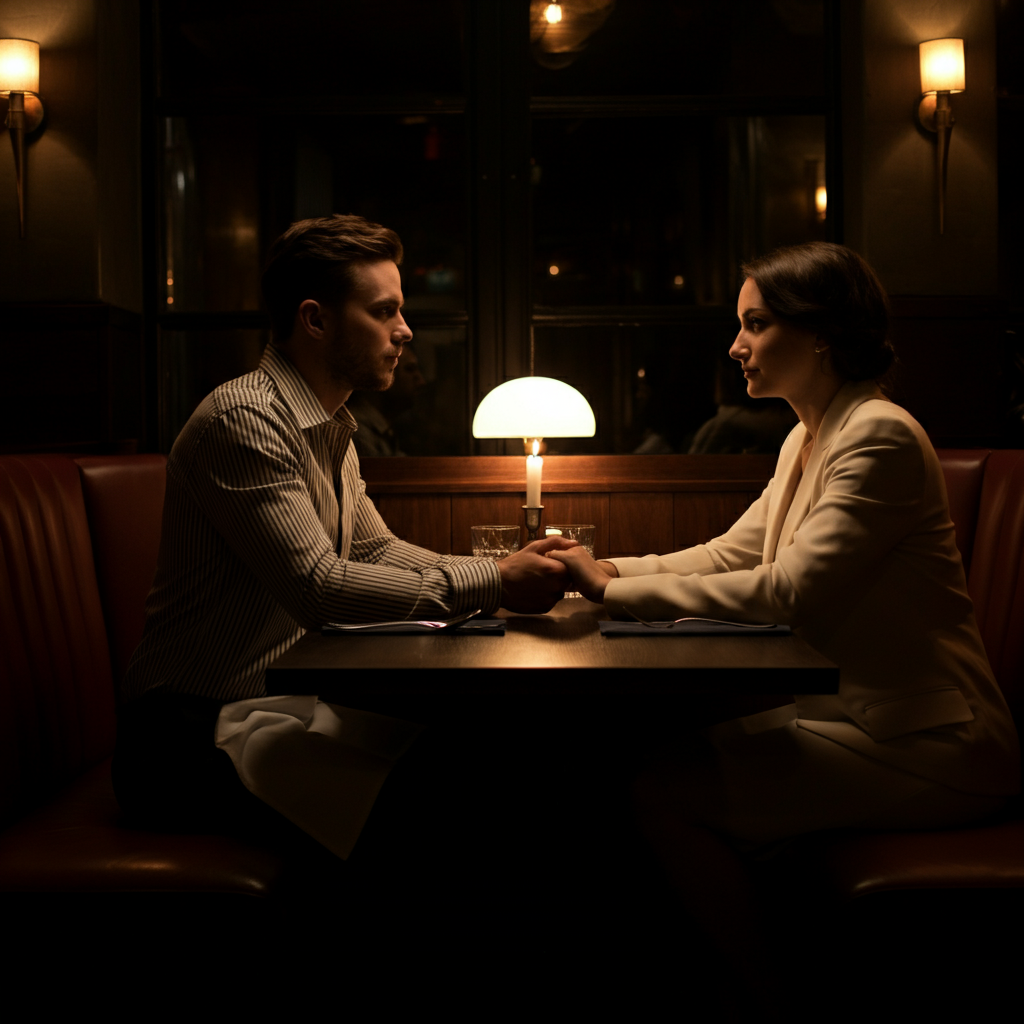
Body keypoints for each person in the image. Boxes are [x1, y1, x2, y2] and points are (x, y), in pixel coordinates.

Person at [548, 242, 1020, 1003]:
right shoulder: (810, 434)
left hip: (932, 743)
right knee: (658, 756)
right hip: (859, 722)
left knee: (662, 791)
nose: (736, 346)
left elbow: (787, 592)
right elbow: (729, 554)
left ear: (822, 334)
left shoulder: (880, 435)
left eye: (756, 324)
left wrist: (606, 593)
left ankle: (771, 1003)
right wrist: (596, 570)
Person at [112, 214, 574, 864]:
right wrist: (496, 581)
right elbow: (319, 588)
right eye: (384, 311)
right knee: (462, 793)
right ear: (316, 320)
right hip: (185, 737)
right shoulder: (244, 419)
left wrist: (501, 571)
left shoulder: (326, 420)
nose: (405, 331)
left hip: (268, 709)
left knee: (488, 754)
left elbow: (375, 551)